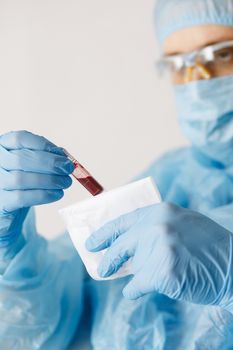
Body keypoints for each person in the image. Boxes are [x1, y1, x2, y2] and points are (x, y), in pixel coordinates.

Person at [1, 0, 233, 349]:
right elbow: (46, 326)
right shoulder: (173, 177)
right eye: (179, 64)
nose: (197, 82)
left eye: (223, 54)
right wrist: (11, 253)